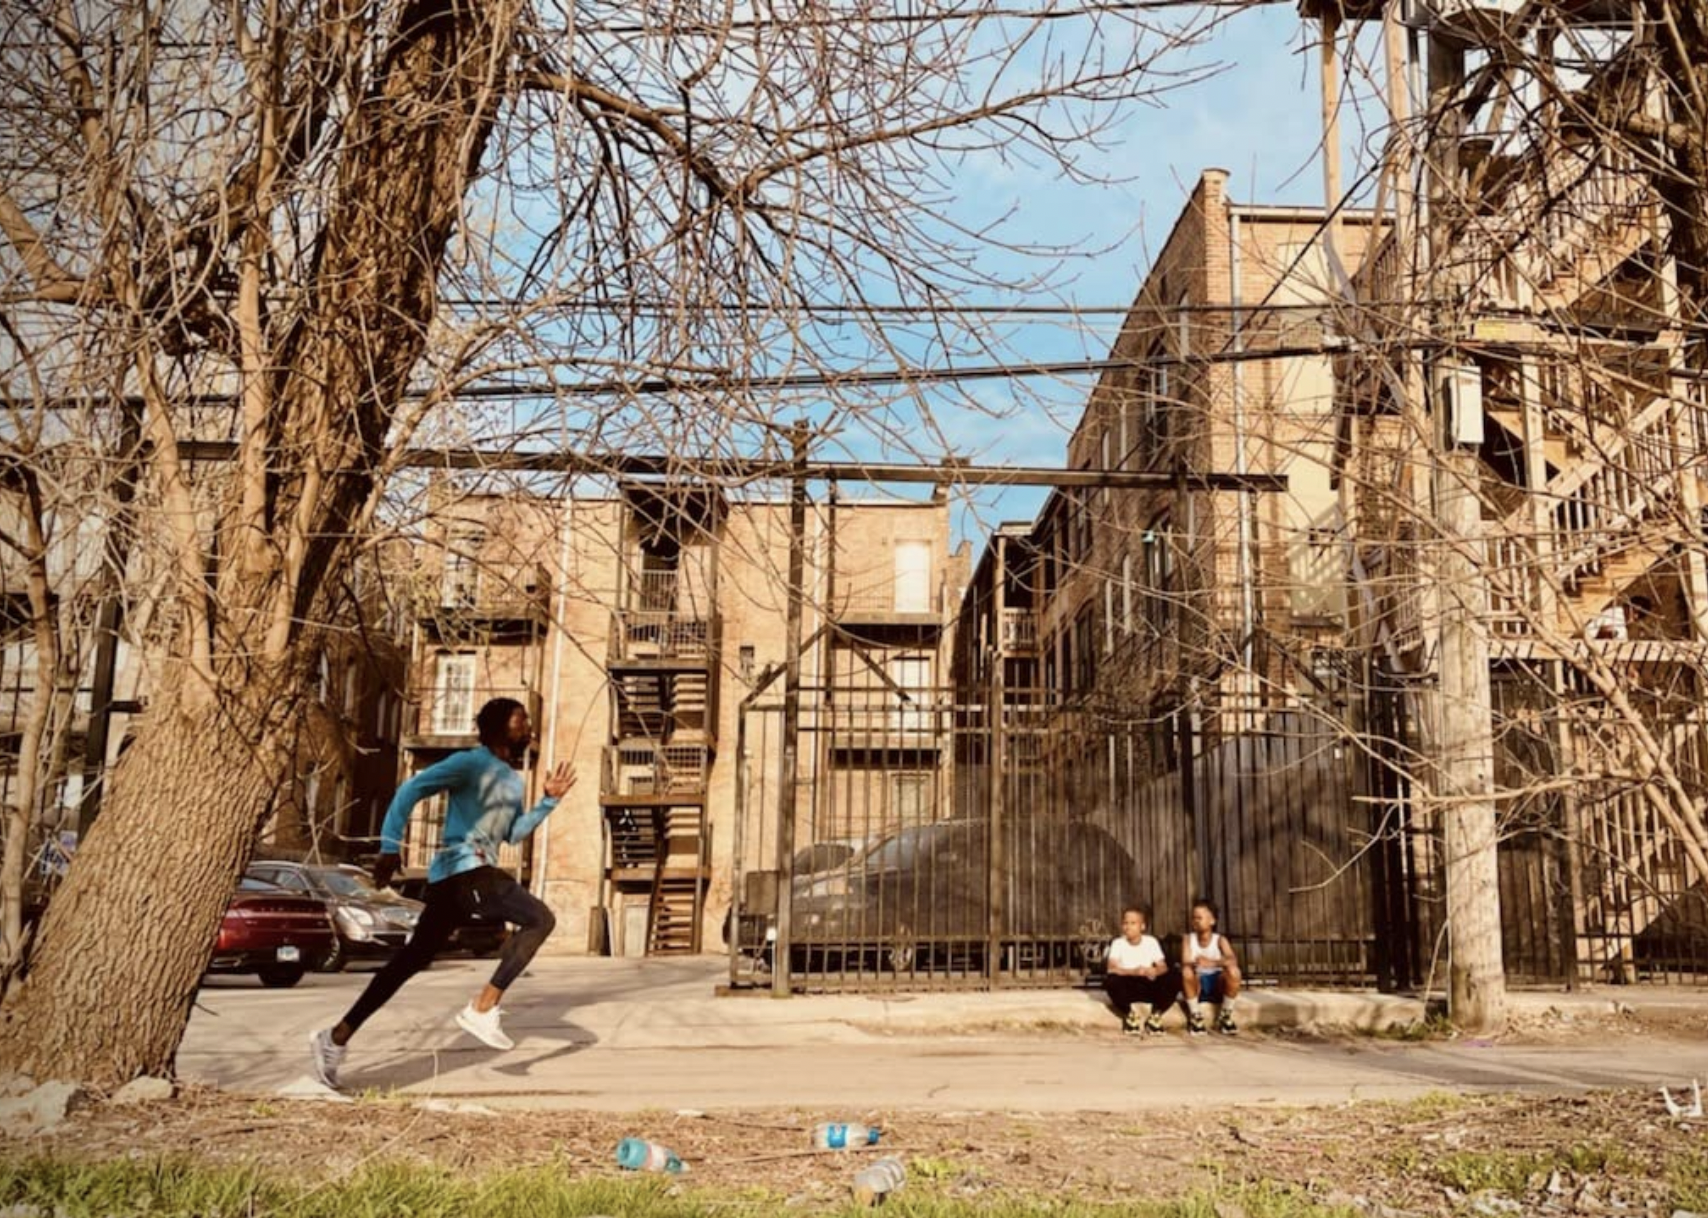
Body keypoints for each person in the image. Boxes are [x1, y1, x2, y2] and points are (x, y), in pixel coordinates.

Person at [308, 696, 576, 1090]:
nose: (529, 727)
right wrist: (388, 845)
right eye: (522, 721)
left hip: (459, 879)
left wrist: (549, 800)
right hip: (465, 871)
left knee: (409, 961)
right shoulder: (469, 762)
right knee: (541, 918)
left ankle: (334, 1039)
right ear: (500, 726)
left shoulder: (512, 780)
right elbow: (410, 791)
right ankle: (482, 1006)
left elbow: (514, 834)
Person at [1103, 904, 1178, 1036]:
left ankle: (1155, 1016)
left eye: (1133, 923)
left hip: (1148, 983)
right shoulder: (1118, 943)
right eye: (1125, 923)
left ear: (1142, 926)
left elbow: (1163, 966)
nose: (1128, 926)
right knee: (1111, 981)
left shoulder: (1151, 942)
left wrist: (1154, 971)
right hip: (1128, 984)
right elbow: (1112, 968)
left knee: (1174, 976)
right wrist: (1134, 971)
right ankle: (1130, 1015)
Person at [1180, 897, 1242, 1036]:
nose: (1195, 921)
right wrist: (1195, 963)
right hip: (1198, 983)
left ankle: (1225, 1016)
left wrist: (1212, 963)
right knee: (1186, 971)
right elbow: (1185, 961)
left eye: (1199, 918)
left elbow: (1232, 959)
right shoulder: (1188, 939)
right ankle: (1196, 1017)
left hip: (1216, 983)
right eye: (1193, 918)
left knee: (1234, 971)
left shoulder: (1220, 939)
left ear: (1212, 921)